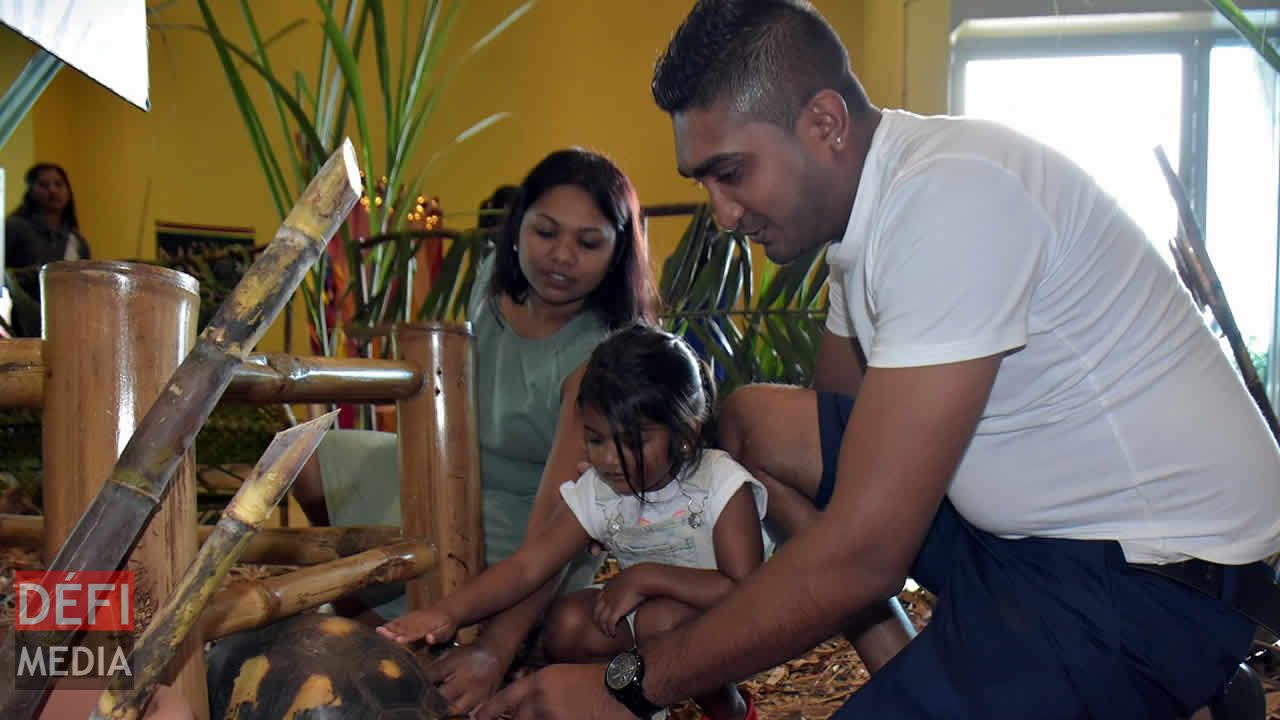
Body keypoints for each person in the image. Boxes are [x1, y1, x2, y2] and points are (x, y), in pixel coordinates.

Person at [474, 2, 1280, 719]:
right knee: (753, 420)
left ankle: (1157, 681)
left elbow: (863, 550)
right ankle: (938, 674)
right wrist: (717, 592)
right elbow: (836, 469)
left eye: (731, 173)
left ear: (825, 123)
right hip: (1031, 540)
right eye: (703, 180)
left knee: (860, 550)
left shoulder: (949, 200)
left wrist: (635, 682)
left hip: (1149, 581)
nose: (720, 213)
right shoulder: (863, 231)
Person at [290, 147, 658, 712]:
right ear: (517, 229)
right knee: (307, 455)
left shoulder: (596, 353)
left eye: (589, 243)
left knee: (466, 567)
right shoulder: (492, 280)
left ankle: (456, 636)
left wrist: (496, 648)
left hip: (526, 522)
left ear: (618, 252)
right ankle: (378, 622)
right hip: (447, 464)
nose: (561, 256)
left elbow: (551, 525)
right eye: (545, 231)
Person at [380, 325, 766, 720]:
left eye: (632, 442)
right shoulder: (599, 489)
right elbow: (529, 566)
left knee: (661, 620)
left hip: (729, 626)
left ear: (686, 431)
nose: (610, 460)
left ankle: (731, 710)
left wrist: (645, 577)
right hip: (647, 616)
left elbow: (747, 591)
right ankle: (638, 704)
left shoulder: (720, 483)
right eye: (596, 440)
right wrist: (449, 613)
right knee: (565, 623)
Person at [4, 163, 89, 337]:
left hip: (67, 323)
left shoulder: (76, 241)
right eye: (44, 185)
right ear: (30, 190)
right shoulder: (14, 228)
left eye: (58, 184)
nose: (52, 190)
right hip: (22, 324)